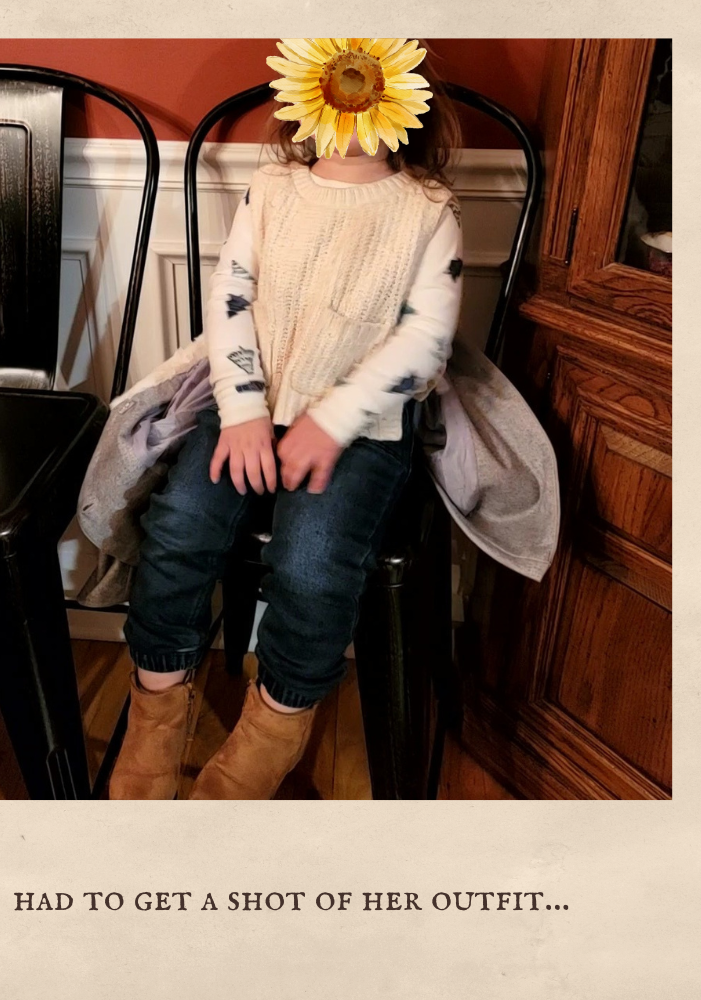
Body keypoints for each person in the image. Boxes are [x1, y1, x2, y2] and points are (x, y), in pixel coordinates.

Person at [109, 44, 464, 800]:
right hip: (251, 399)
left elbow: (425, 340)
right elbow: (231, 298)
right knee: (178, 526)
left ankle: (276, 723)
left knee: (311, 561)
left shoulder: (427, 210)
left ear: (407, 97)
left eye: (371, 91)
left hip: (360, 426)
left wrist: (330, 422)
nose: (352, 109)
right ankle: (155, 706)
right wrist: (242, 411)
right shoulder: (272, 188)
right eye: (335, 89)